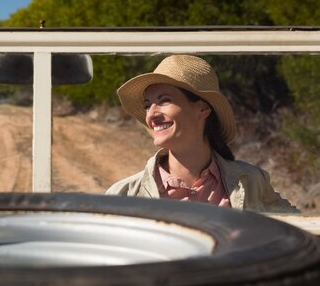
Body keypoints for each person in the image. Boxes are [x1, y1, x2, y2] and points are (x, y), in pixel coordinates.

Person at [105, 54, 297, 213]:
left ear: (203, 109)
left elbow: (302, 232)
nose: (152, 115)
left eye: (164, 101)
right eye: (147, 105)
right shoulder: (122, 196)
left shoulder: (251, 182)